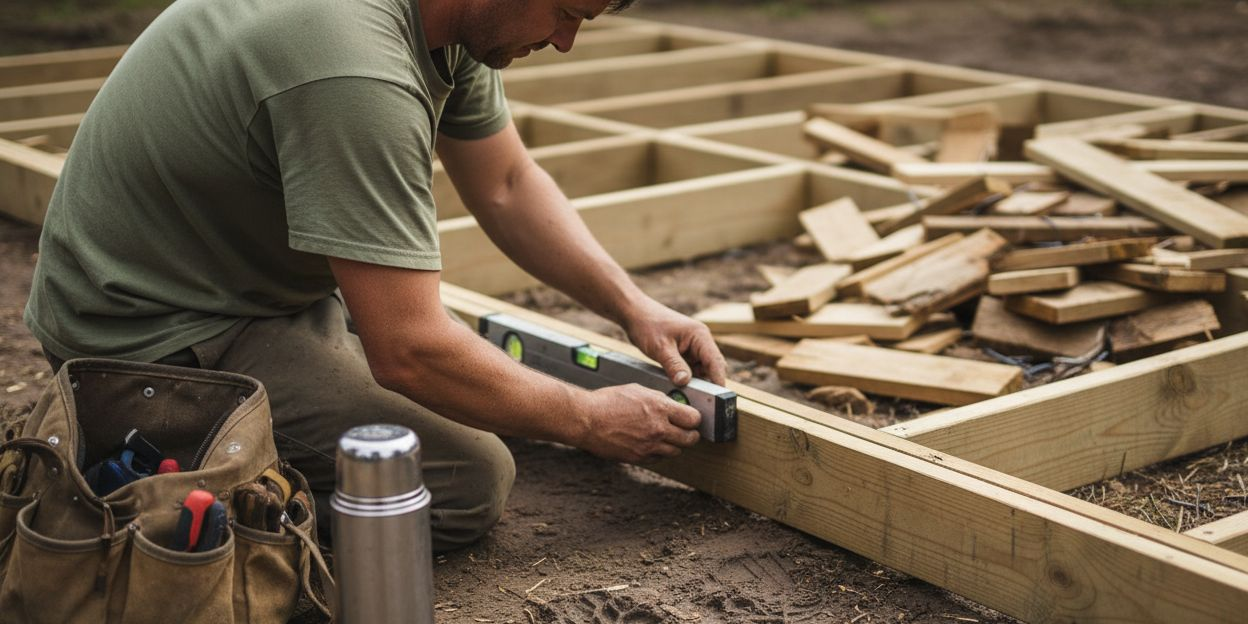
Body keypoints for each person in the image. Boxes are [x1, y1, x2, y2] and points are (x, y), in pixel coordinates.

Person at [24, 0, 728, 551]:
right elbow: (409, 350)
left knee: (463, 378)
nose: (568, 38)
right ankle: (158, 500)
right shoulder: (356, 68)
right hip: (147, 338)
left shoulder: (451, 25)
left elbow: (507, 183)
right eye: (569, 12)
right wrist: (586, 419)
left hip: (226, 278)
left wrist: (633, 308)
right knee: (466, 479)